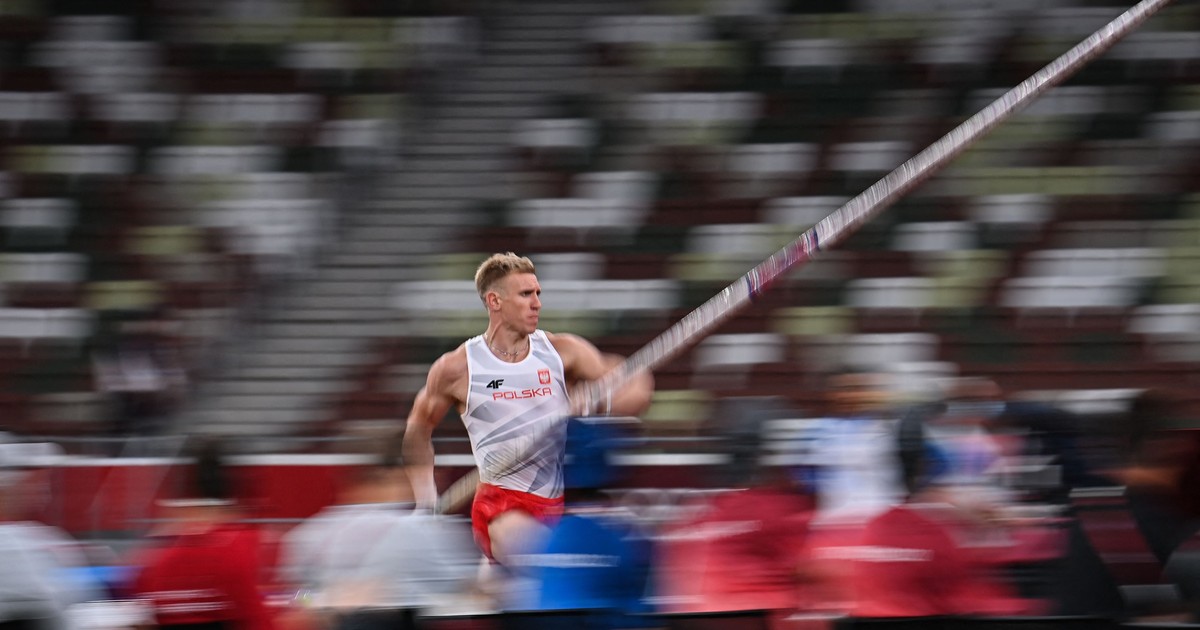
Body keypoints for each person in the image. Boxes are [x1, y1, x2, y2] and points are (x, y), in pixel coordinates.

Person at [401, 252, 654, 567]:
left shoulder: (563, 352)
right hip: (500, 505)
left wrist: (598, 403)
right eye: (525, 294)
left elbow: (638, 387)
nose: (537, 303)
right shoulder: (458, 368)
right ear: (495, 301)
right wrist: (425, 497)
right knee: (546, 567)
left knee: (516, 587)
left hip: (555, 504)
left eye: (537, 293)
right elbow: (418, 428)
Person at [276, 432, 476, 630]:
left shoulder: (311, 533)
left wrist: (327, 599)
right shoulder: (428, 532)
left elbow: (298, 597)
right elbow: (469, 590)